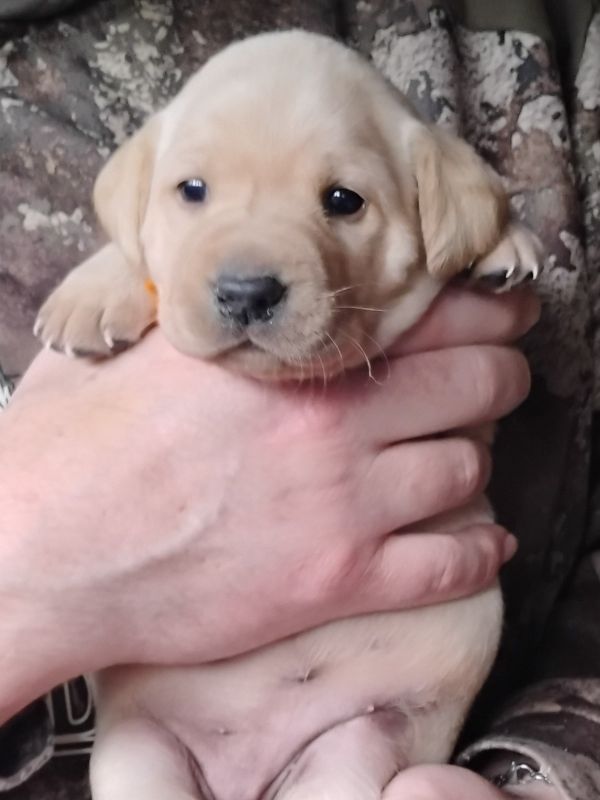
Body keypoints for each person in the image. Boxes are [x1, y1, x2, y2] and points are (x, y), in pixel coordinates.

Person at [1, 1, 599, 799]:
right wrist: (27, 577)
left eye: (342, 200)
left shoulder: (478, 94)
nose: (247, 275)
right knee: (135, 763)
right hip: (161, 726)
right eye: (196, 190)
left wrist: (539, 779)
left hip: (366, 720)